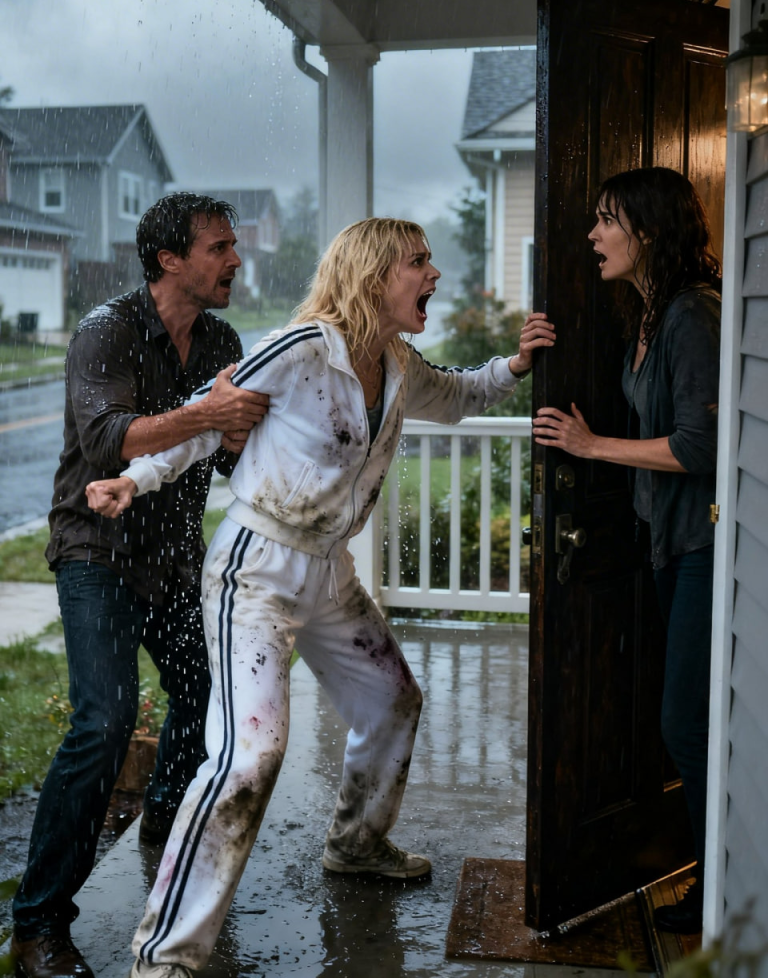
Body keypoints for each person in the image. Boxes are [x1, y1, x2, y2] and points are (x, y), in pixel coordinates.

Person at [86, 216, 556, 978]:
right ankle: (165, 954)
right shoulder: (301, 348)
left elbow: (458, 394)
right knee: (249, 757)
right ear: (373, 274)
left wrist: (515, 365)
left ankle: (357, 844)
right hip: (257, 571)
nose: (433, 274)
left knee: (393, 701)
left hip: (329, 572)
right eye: (418, 261)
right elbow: (210, 414)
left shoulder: (395, 360)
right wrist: (134, 479)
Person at [11, 193, 269, 978]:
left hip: (173, 559)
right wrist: (208, 414)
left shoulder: (220, 338)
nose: (235, 260)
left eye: (232, 246)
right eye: (220, 248)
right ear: (169, 260)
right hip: (97, 551)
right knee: (104, 721)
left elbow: (221, 456)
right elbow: (105, 440)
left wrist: (237, 434)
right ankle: (38, 926)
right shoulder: (107, 330)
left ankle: (162, 823)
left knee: (204, 692)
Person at [532, 166, 721, 935]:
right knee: (683, 723)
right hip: (666, 547)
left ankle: (719, 891)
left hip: (705, 546)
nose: (592, 235)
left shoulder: (691, 316)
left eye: (607, 220)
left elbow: (699, 445)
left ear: (646, 231)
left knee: (686, 727)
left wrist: (591, 446)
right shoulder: (648, 314)